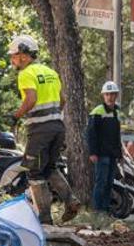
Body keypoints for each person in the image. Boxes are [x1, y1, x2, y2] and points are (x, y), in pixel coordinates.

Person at [9, 35, 81, 225]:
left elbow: (30, 99)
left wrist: (15, 116)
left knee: (34, 173)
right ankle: (71, 201)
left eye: (14, 56)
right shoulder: (50, 72)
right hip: (57, 128)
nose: (12, 60)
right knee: (49, 168)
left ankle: (45, 218)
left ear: (24, 56)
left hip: (40, 130)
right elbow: (62, 101)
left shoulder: (25, 74)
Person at [87, 81, 123, 217]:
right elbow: (91, 134)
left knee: (109, 183)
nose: (110, 97)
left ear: (116, 95)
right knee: (100, 182)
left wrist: (120, 153)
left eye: (112, 94)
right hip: (101, 154)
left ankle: (106, 210)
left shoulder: (117, 112)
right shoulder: (97, 112)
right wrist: (93, 152)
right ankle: (97, 211)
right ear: (103, 96)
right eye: (107, 94)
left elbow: (117, 134)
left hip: (113, 154)